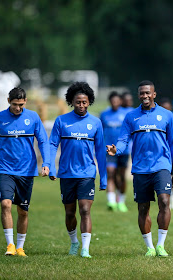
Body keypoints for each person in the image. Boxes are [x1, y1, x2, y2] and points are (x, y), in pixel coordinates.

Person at [107, 80, 173, 257]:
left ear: (154, 94)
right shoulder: (131, 117)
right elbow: (123, 140)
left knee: (164, 201)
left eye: (148, 93)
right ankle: (150, 247)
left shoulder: (167, 116)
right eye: (142, 93)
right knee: (143, 208)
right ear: (138, 95)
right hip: (140, 169)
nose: (145, 96)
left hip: (162, 166)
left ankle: (161, 245)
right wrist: (117, 150)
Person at [0, 87, 50, 257]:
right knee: (5, 204)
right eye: (14, 104)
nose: (17, 108)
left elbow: (43, 141)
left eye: (21, 105)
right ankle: (10, 245)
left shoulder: (33, 117)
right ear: (8, 101)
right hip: (5, 169)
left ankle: (20, 247)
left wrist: (47, 163)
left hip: (26, 171)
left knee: (23, 211)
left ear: (25, 102)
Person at [49, 82, 107, 258]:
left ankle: (85, 249)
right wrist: (51, 167)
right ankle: (74, 242)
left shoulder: (96, 123)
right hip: (66, 174)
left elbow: (100, 151)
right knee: (69, 212)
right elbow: (52, 144)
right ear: (71, 102)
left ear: (89, 102)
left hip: (87, 174)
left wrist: (103, 178)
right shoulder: (61, 121)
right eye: (78, 102)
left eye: (84, 102)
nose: (81, 105)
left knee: (85, 209)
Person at [100, 91, 129, 212]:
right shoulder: (104, 114)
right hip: (109, 150)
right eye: (113, 101)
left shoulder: (126, 114)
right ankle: (111, 201)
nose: (115, 103)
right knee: (110, 173)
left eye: (117, 101)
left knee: (121, 176)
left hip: (124, 150)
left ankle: (121, 201)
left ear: (121, 102)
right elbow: (100, 131)